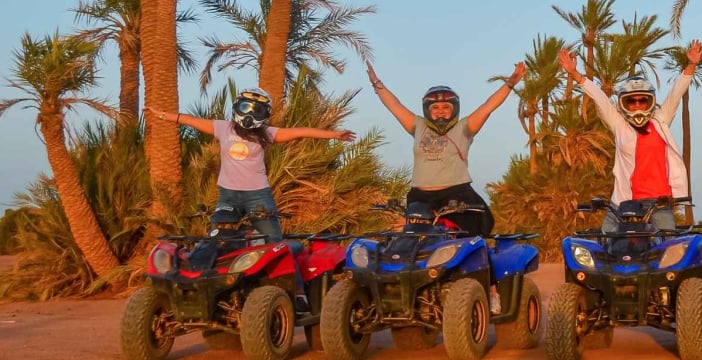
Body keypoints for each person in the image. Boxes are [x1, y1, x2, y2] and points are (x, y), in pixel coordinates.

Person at [146, 87, 356, 244]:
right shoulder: (223, 128)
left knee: (274, 242)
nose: (249, 114)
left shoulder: (268, 134)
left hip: (257, 195)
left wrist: (335, 135)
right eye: (246, 107)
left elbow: (302, 131)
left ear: (264, 114)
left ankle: (296, 291)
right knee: (217, 239)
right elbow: (189, 120)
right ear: (237, 107)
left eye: (256, 111)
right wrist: (160, 114)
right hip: (227, 194)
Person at [366, 60, 526, 235]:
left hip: (455, 195)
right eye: (435, 107)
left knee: (471, 229)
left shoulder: (464, 127)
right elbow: (394, 106)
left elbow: (488, 107)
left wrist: (511, 83)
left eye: (445, 107)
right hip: (420, 196)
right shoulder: (418, 125)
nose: (440, 111)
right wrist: (377, 83)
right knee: (411, 239)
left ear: (454, 109)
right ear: (427, 109)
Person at [556, 41, 702, 232]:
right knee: (606, 244)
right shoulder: (620, 125)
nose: (637, 104)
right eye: (631, 100)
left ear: (650, 101)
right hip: (622, 202)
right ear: (624, 103)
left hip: (659, 203)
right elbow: (600, 98)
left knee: (670, 249)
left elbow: (676, 94)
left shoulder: (661, 120)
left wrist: (691, 65)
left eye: (643, 99)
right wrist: (575, 74)